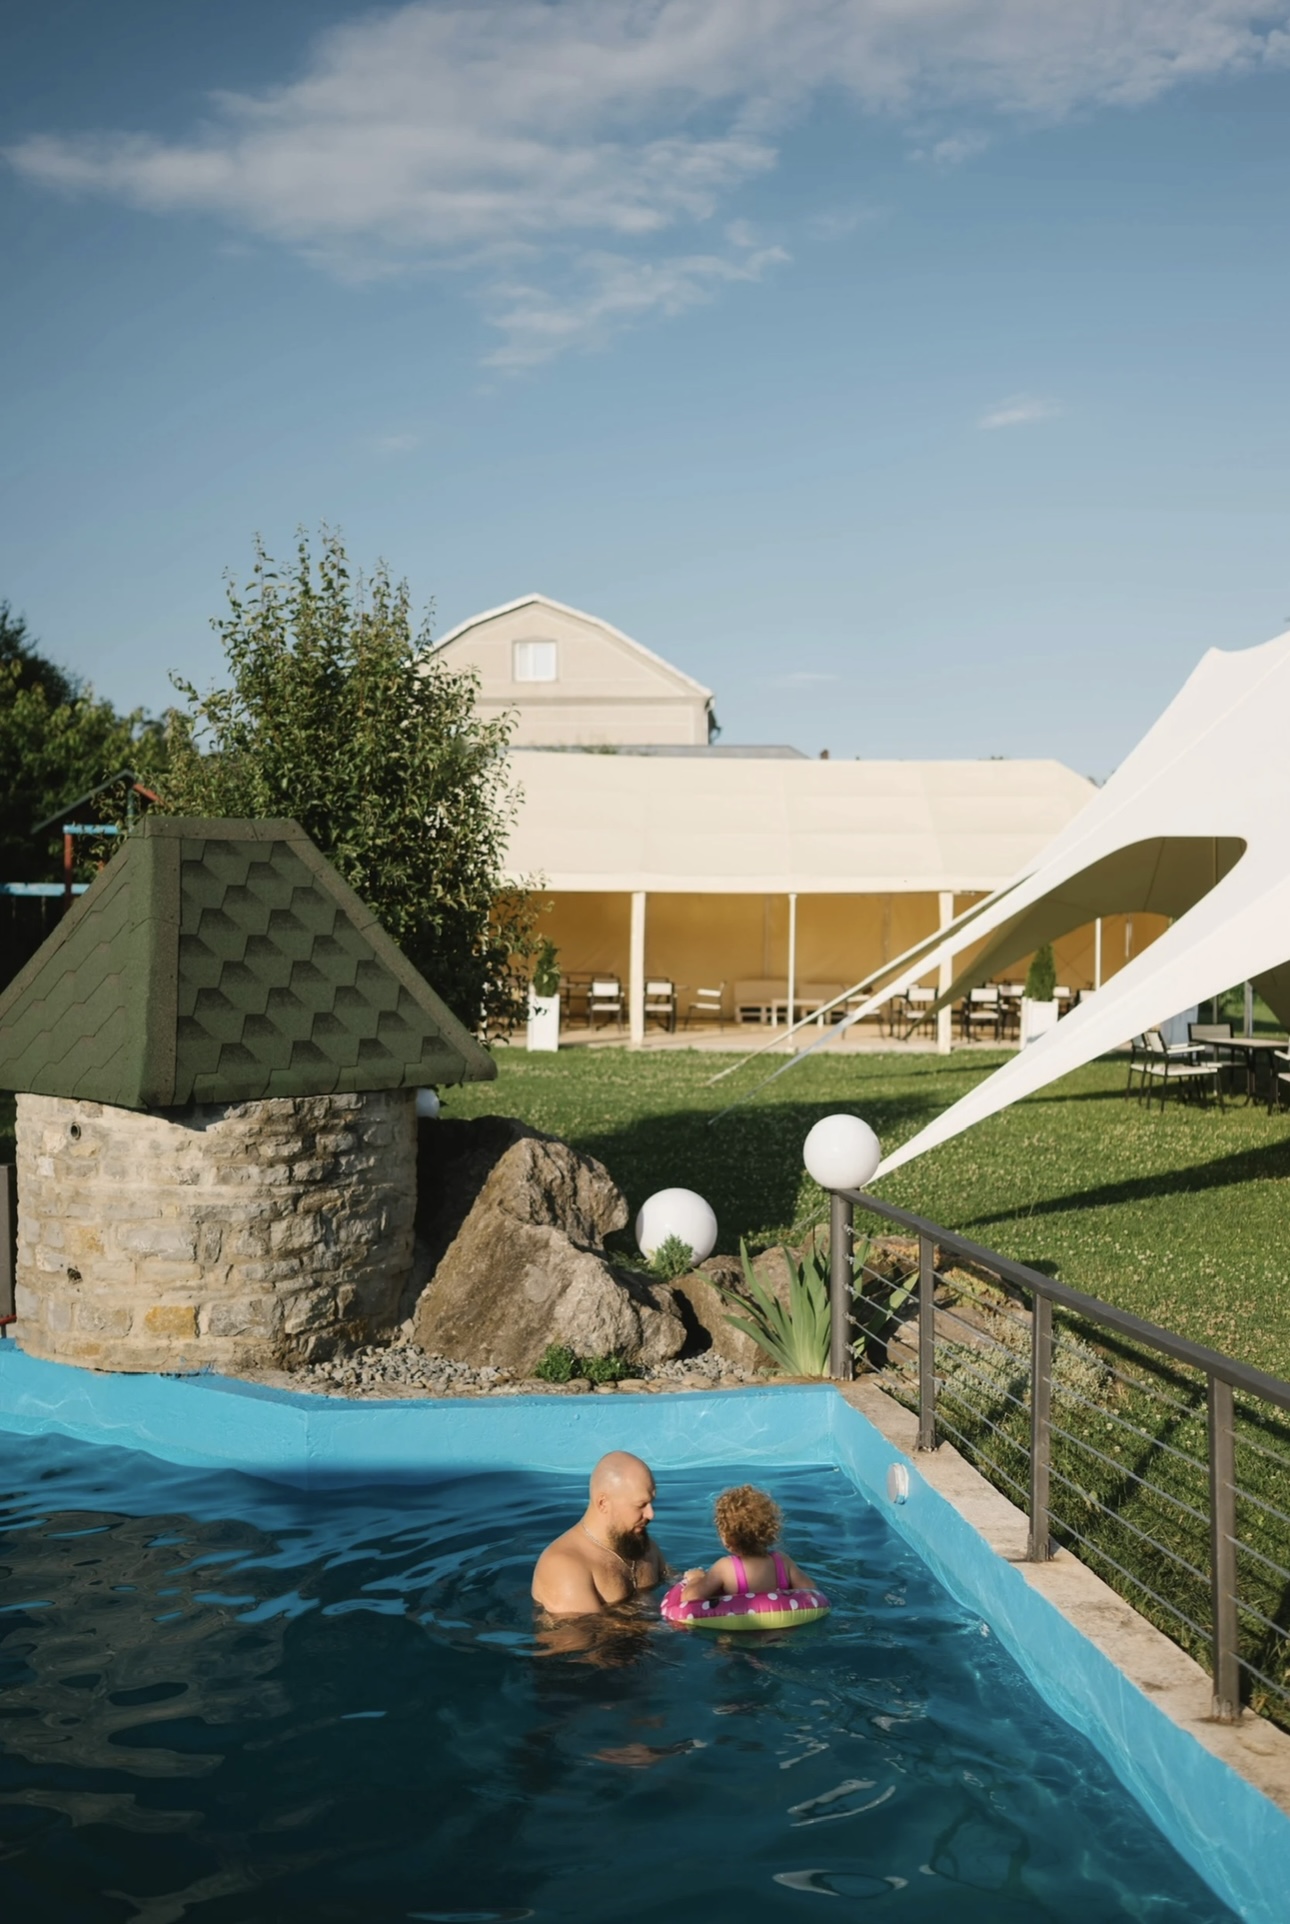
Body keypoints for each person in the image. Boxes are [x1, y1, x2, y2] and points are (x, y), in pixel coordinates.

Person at [532, 1451, 667, 1616]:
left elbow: (673, 1579)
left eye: (651, 1502)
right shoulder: (564, 1566)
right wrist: (663, 1625)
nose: (651, 1514)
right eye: (641, 1505)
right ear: (603, 1503)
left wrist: (694, 1582)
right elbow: (583, 1630)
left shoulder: (641, 1544)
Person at [678, 1484, 813, 1604]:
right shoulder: (782, 1561)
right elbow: (810, 1592)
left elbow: (690, 1598)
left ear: (726, 1538)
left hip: (738, 1623)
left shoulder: (725, 1567)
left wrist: (696, 1578)